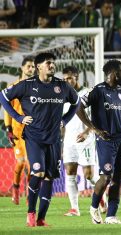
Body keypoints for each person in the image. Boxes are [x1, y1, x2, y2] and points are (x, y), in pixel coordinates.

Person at [0, 52, 80, 227]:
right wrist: (18, 118)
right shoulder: (27, 85)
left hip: (54, 139)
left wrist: (64, 120)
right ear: (39, 67)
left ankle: (41, 219)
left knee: (50, 178)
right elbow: (3, 97)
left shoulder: (62, 86)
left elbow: (77, 102)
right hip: (34, 138)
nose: (52, 65)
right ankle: (30, 214)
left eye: (53, 63)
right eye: (48, 63)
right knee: (38, 172)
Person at [77, 59, 121, 224]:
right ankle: (94, 207)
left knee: (118, 178)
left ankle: (111, 216)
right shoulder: (98, 90)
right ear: (113, 73)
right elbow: (79, 107)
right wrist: (93, 128)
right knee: (106, 177)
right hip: (105, 140)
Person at [61, 66, 100, 216]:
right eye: (64, 79)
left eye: (69, 78)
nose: (67, 81)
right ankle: (74, 208)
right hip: (69, 140)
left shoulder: (88, 93)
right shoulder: (63, 96)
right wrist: (62, 142)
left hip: (86, 139)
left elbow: (97, 117)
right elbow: (64, 121)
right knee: (70, 173)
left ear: (76, 77)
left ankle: (101, 197)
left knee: (89, 175)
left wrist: (87, 131)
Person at [4, 56, 35, 205]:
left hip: (32, 131)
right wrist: (8, 128)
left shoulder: (36, 87)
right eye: (28, 66)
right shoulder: (13, 86)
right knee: (21, 163)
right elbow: (6, 108)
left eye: (33, 67)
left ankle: (30, 193)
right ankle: (16, 188)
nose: (31, 69)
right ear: (22, 68)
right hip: (17, 131)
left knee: (31, 164)